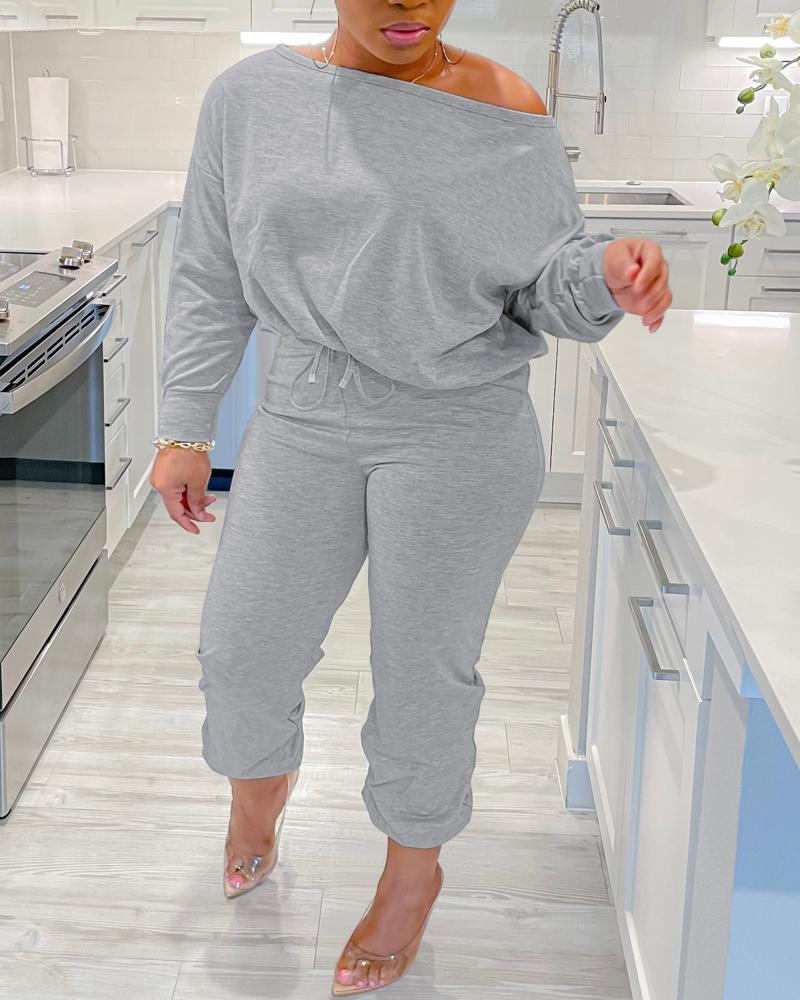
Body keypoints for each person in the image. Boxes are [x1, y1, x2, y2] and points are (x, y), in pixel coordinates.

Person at [150, 2, 672, 995]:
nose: (409, 6)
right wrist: (185, 427)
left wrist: (604, 273)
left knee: (422, 678)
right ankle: (257, 794)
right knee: (241, 652)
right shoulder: (249, 99)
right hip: (302, 417)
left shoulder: (506, 109)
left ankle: (411, 871)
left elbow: (542, 286)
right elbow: (210, 271)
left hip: (457, 431)